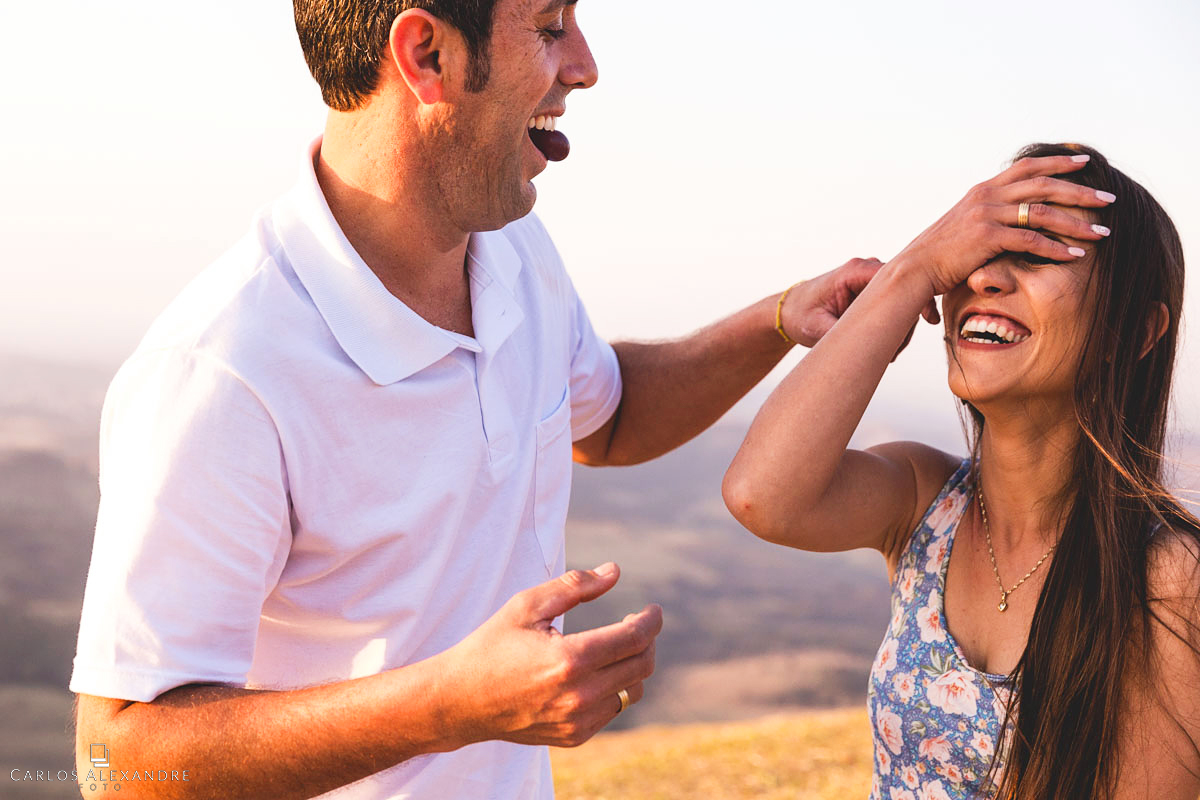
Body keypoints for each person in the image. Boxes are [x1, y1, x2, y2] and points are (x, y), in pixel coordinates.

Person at [69, 2, 889, 798]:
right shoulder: (220, 372)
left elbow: (610, 415)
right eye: (548, 26)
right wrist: (452, 706)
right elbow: (119, 760)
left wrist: (781, 318)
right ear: (427, 54)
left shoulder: (511, 245)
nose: (586, 65)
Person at [723, 144, 1200, 800]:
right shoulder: (924, 501)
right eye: (976, 253)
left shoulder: (1168, 580)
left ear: (1136, 330)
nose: (982, 280)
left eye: (1035, 253)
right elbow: (761, 497)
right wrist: (911, 271)